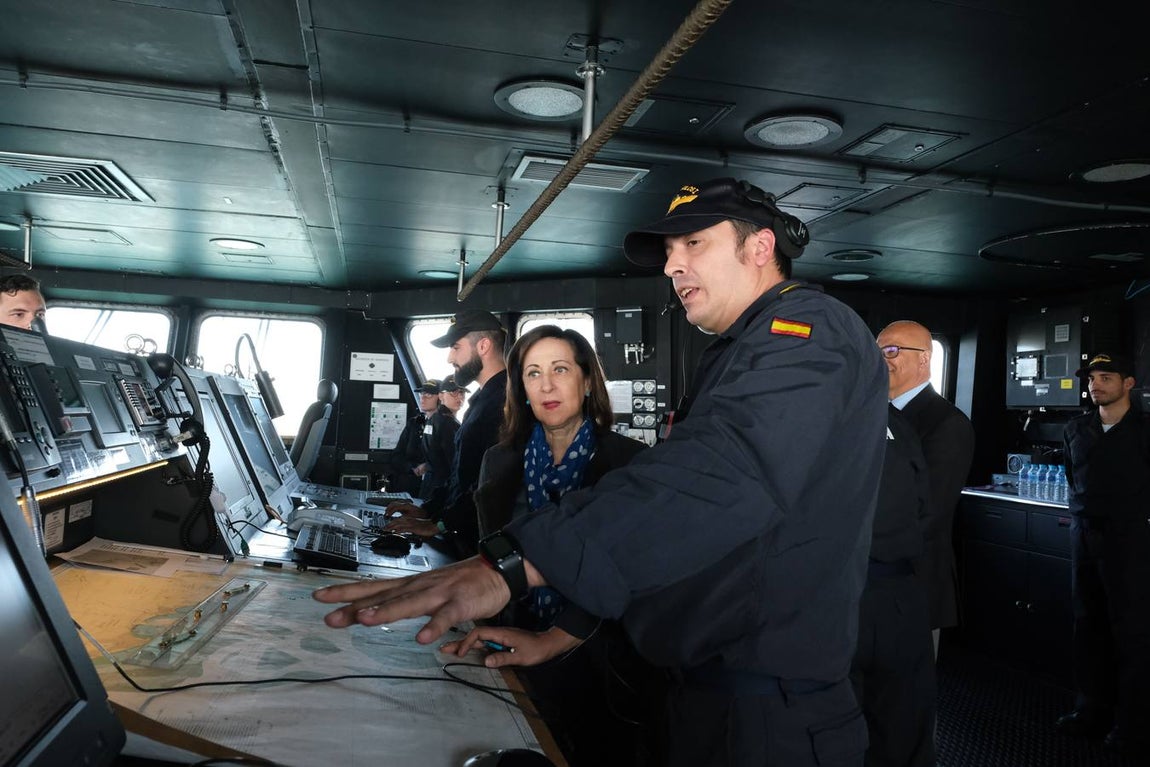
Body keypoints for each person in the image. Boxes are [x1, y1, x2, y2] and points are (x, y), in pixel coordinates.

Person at [316, 177, 890, 767]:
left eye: (693, 243)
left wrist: (513, 567)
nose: (674, 265)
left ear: (761, 247)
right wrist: (556, 635)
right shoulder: (739, 351)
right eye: (669, 253)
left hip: (767, 717)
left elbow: (722, 477)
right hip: (707, 696)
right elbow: (684, 541)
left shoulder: (808, 331)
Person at [445, 324, 657, 767]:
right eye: (533, 373)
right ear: (520, 387)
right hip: (517, 643)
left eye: (560, 369)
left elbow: (632, 576)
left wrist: (555, 639)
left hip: (604, 660)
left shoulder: (630, 462)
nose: (547, 385)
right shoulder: (499, 462)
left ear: (585, 380)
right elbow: (496, 559)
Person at [1055, 353, 1150, 759]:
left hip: (1130, 538)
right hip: (1084, 534)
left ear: (1129, 383)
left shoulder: (1144, 432)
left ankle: (1132, 726)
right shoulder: (1077, 429)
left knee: (1131, 633)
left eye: (1106, 377)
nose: (1096, 385)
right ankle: (1090, 710)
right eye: (1092, 378)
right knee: (1086, 623)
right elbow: (1071, 477)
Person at [875, 320, 974, 655]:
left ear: (924, 359)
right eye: (876, 351)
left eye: (892, 350)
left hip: (913, 581)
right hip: (868, 582)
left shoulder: (948, 424)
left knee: (907, 698)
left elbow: (928, 511)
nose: (882, 359)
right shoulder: (871, 416)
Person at [850, 405, 936, 767]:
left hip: (835, 596)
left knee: (832, 726)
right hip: (900, 594)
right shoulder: (896, 422)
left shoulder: (804, 409)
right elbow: (923, 504)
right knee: (906, 727)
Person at [385, 310, 508, 558]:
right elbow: (460, 477)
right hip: (459, 531)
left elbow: (492, 485)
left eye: (455, 347)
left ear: (483, 345)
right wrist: (427, 509)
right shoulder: (483, 400)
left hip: (477, 546)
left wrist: (438, 524)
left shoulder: (504, 403)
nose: (450, 358)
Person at [385, 380, 441, 496]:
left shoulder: (445, 427)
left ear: (440, 398)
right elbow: (396, 456)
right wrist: (413, 468)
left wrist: (427, 467)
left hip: (433, 490)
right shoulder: (414, 424)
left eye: (429, 395)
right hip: (407, 489)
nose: (423, 398)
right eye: (422, 394)